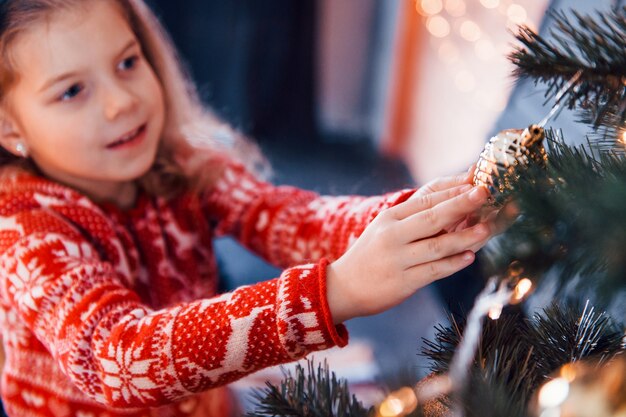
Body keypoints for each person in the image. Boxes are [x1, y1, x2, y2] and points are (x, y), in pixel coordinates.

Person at [0, 0, 492, 415]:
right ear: (9, 129)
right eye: (72, 91)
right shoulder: (23, 233)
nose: (120, 103)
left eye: (128, 62)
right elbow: (119, 358)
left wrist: (426, 210)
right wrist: (334, 293)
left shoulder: (180, 160)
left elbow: (289, 218)